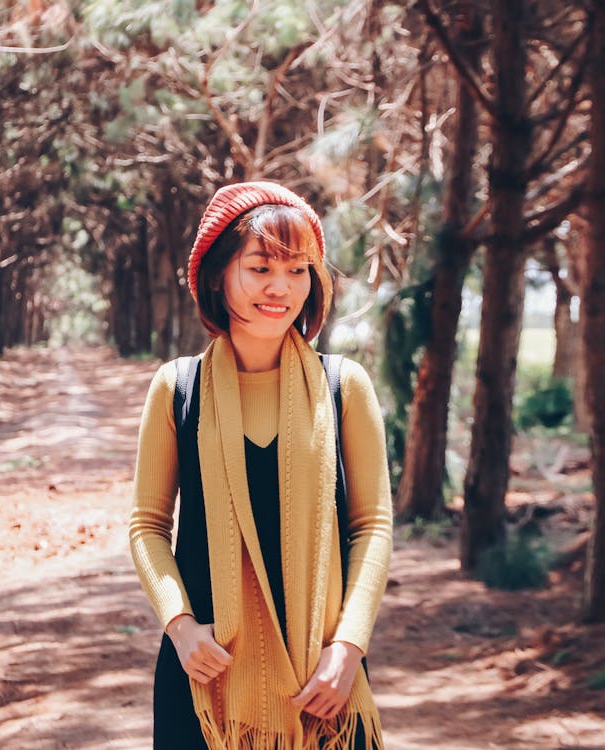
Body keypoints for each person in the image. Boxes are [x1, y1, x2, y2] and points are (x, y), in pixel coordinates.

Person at [129, 181, 393, 749]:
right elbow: (147, 526)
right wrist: (180, 628)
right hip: (206, 676)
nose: (281, 288)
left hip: (324, 681)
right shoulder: (178, 388)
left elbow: (371, 526)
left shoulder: (343, 386)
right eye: (260, 268)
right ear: (219, 274)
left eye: (299, 271)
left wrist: (348, 649)